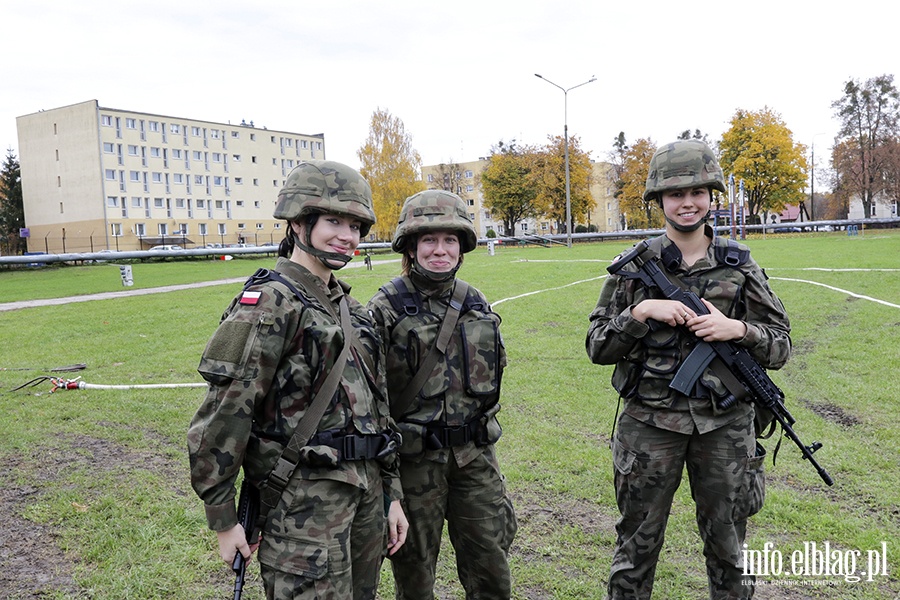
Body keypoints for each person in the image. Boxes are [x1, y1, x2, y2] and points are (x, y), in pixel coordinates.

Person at [188, 159, 407, 600]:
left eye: (356, 226)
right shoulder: (269, 303)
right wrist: (223, 518)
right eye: (334, 221)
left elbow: (377, 409)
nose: (348, 236)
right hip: (302, 506)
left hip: (365, 496)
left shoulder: (349, 308)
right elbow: (225, 413)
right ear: (298, 223)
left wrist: (391, 494)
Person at [585, 140, 792, 600]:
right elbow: (597, 346)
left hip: (725, 426)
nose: (687, 202)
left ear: (712, 197)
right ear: (659, 201)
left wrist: (736, 328)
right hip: (649, 425)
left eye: (698, 192)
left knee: (731, 551)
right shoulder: (633, 270)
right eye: (675, 194)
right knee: (635, 548)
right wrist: (640, 314)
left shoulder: (740, 266)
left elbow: (780, 346)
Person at [367, 190, 517, 600]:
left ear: (462, 246)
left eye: (449, 240)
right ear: (411, 246)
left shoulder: (474, 301)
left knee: (491, 565)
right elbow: (370, 399)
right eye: (429, 240)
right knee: (414, 575)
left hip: (475, 460)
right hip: (414, 466)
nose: (439, 250)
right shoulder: (385, 308)